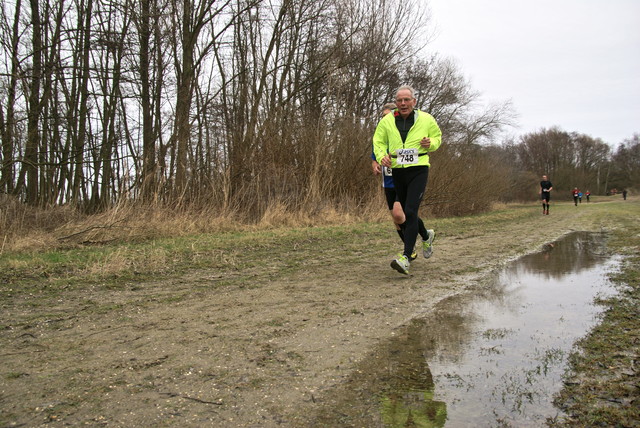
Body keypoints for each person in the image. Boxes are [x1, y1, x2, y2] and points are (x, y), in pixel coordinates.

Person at [373, 85, 441, 275]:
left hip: (419, 168)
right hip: (398, 171)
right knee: (406, 211)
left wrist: (431, 143)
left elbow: (437, 138)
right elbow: (377, 142)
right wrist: (381, 157)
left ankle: (406, 257)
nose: (403, 104)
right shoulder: (387, 121)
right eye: (399, 100)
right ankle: (426, 236)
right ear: (396, 103)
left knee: (410, 210)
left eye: (406, 100)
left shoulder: (426, 119)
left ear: (414, 101)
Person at [371, 103, 431, 261]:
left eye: (387, 116)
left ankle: (408, 252)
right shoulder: (382, 137)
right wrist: (376, 164)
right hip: (389, 182)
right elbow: (375, 155)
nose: (385, 119)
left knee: (402, 212)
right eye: (382, 117)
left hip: (405, 178)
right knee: (397, 220)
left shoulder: (404, 135)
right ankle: (421, 239)